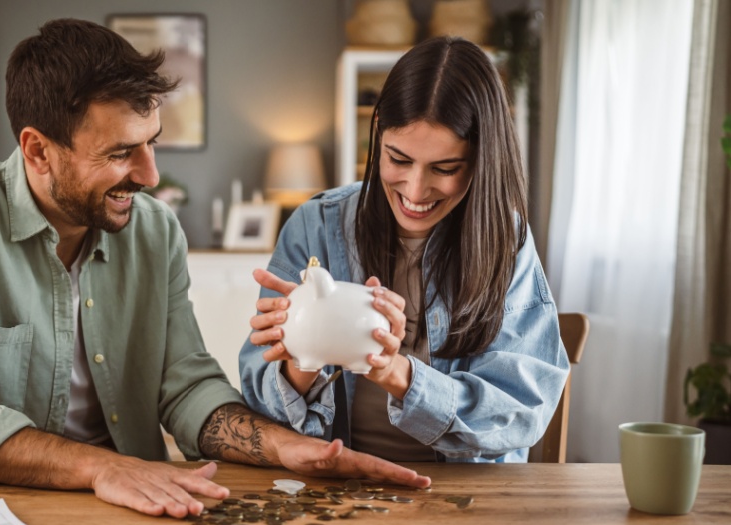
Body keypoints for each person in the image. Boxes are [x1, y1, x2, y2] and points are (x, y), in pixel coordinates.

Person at [0, 19, 430, 520]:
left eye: (152, 144)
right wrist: (101, 467)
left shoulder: (154, 230)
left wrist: (283, 446)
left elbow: (185, 386)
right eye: (121, 153)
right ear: (38, 150)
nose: (149, 174)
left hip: (137, 506)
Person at [241, 36, 570, 463]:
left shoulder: (505, 242)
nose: (415, 191)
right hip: (339, 483)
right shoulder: (315, 225)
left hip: (468, 497)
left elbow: (522, 411)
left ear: (482, 162)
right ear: (377, 139)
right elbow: (257, 406)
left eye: (445, 168)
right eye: (398, 159)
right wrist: (302, 355)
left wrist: (397, 372)